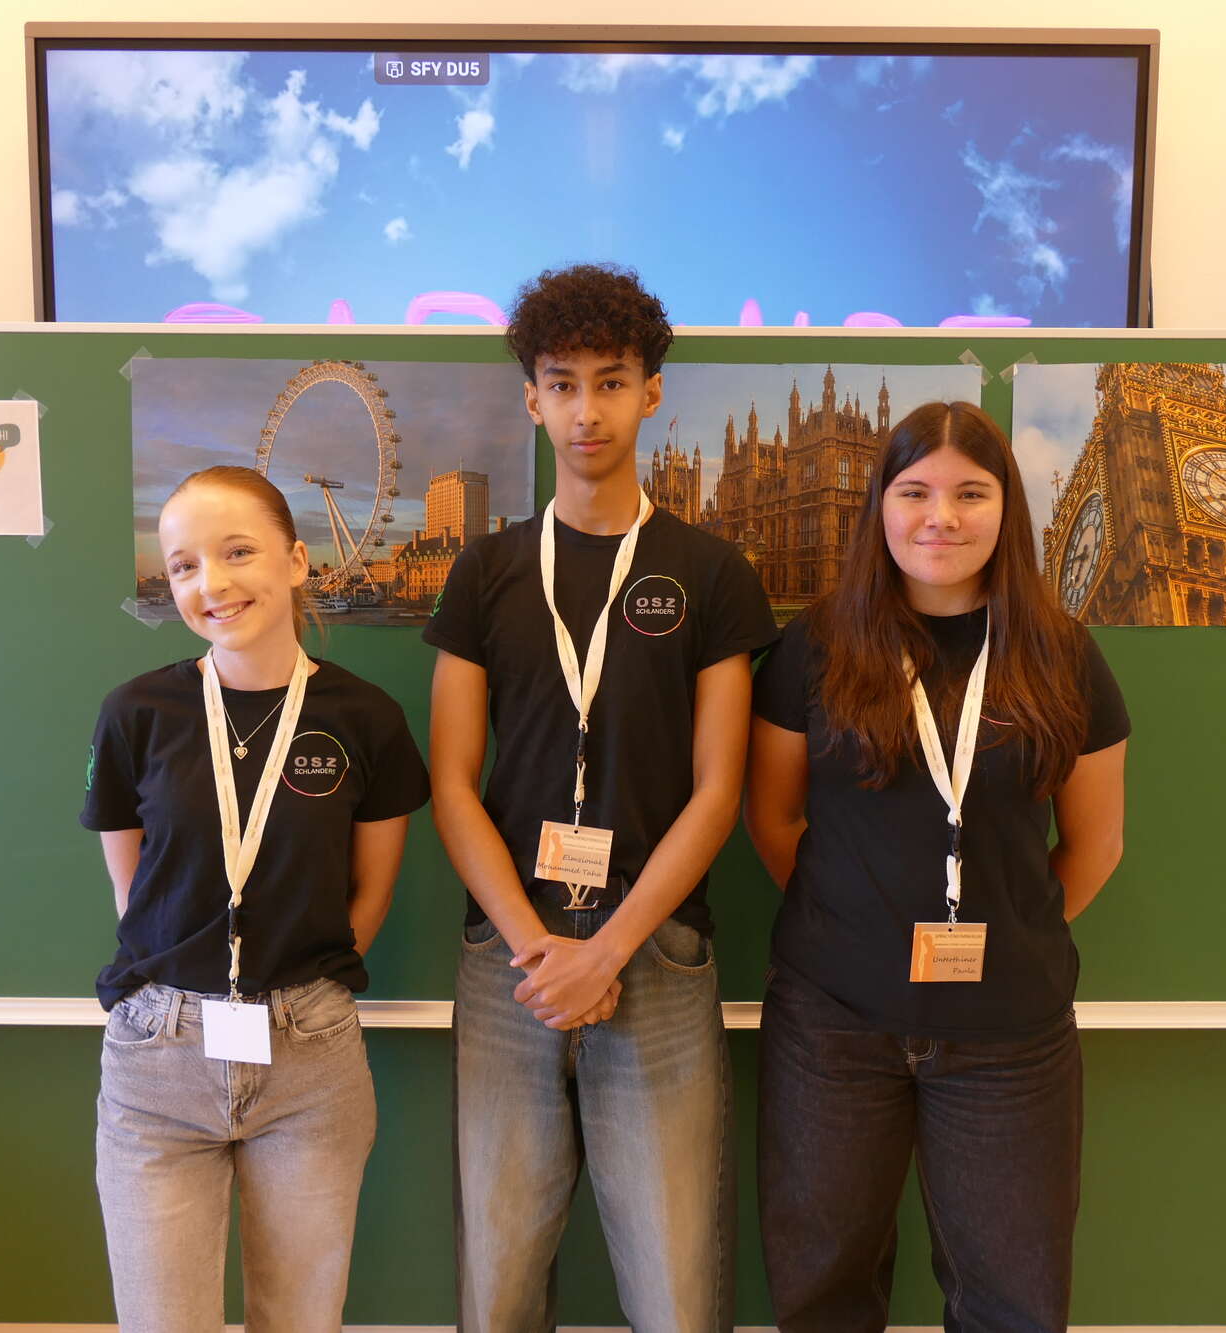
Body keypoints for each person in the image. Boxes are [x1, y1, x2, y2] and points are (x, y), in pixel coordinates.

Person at [424, 263, 778, 1332]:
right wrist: (539, 948)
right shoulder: (485, 571)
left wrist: (606, 950)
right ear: (532, 398)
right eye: (563, 383)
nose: (587, 409)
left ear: (651, 393)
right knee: (495, 1285)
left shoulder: (712, 572)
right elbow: (452, 782)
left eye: (611, 382)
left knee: (676, 1290)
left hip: (656, 954)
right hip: (510, 961)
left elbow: (718, 790)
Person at [744, 401, 1129, 1333]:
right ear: (880, 503)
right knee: (822, 1293)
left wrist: (1013, 929)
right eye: (914, 491)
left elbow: (1095, 844)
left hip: (1009, 1039)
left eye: (970, 493)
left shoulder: (1063, 655)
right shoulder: (814, 646)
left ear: (1007, 507)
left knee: (1013, 1303)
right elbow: (774, 817)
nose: (940, 517)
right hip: (833, 1028)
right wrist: (858, 925)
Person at [82, 465, 430, 1332]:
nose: (212, 582)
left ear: (299, 560)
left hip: (309, 1059)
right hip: (159, 1060)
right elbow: (132, 886)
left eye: (237, 552)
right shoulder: (135, 713)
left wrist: (300, 993)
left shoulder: (367, 717)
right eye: (185, 565)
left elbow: (374, 887)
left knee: (301, 1319)